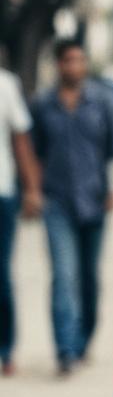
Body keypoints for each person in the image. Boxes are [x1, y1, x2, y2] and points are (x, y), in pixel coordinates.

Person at [32, 38, 113, 375]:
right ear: (59, 64)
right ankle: (65, 349)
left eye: (79, 60)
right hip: (57, 201)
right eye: (68, 60)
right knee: (63, 275)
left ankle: (83, 338)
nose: (74, 66)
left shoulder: (103, 102)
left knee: (88, 277)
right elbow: (33, 152)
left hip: (94, 200)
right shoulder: (43, 105)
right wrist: (34, 190)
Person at [0, 65, 42, 375]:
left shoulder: (6, 84)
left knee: (1, 273)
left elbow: (20, 140)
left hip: (2, 192)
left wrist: (31, 188)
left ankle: (6, 348)